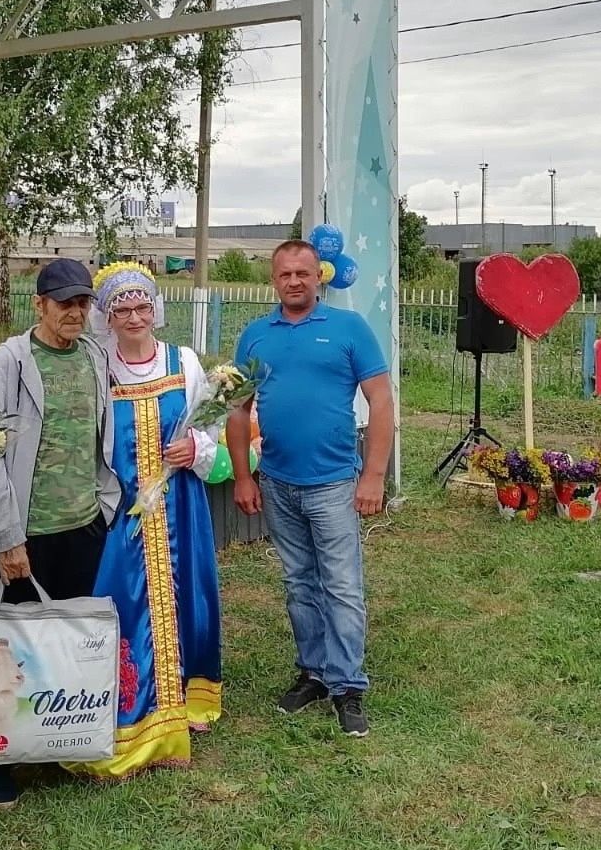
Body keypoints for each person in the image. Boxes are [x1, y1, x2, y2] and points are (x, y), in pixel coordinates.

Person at [225, 239, 394, 740]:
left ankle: (348, 686)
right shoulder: (256, 337)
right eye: (285, 274)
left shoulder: (348, 329)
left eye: (303, 273)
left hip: (335, 484)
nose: (295, 281)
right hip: (278, 482)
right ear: (273, 280)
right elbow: (236, 409)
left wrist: (374, 475)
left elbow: (381, 402)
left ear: (318, 277)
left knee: (341, 585)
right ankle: (314, 673)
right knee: (300, 583)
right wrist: (241, 475)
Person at [0, 257, 119, 806]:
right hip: (25, 534)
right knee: (6, 649)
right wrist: (8, 537)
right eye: (65, 304)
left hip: (82, 524)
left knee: (60, 643)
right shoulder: (10, 361)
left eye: (83, 303)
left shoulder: (94, 356)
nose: (76, 313)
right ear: (40, 305)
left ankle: (52, 744)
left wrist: (104, 505)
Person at [72, 262, 222, 779]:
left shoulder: (183, 360)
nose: (134, 316)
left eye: (141, 306)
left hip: (181, 502)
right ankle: (137, 705)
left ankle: (188, 696)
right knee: (128, 599)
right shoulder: (97, 368)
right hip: (125, 510)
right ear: (106, 316)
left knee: (188, 593)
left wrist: (194, 446)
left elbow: (213, 427)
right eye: (121, 308)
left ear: (155, 310)